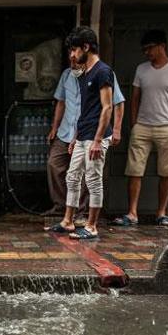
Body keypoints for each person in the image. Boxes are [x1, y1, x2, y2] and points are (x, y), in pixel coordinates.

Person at [113, 30, 168, 227]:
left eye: (150, 48)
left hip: (167, 126)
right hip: (143, 126)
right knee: (134, 170)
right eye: (144, 49)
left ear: (161, 46)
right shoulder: (141, 69)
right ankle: (132, 213)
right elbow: (135, 97)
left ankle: (162, 212)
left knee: (166, 171)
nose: (147, 52)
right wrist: (134, 123)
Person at [45, 26, 115, 239]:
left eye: (75, 50)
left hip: (96, 136)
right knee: (72, 177)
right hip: (82, 134)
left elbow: (107, 107)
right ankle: (67, 221)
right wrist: (76, 137)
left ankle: (92, 226)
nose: (72, 55)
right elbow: (83, 109)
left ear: (86, 47)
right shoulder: (84, 74)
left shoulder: (103, 71)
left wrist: (97, 140)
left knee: (93, 179)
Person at [44, 55, 126, 218]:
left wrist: (116, 129)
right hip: (67, 130)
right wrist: (55, 127)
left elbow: (116, 102)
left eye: (76, 59)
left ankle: (83, 213)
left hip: (91, 132)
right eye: (70, 59)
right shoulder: (67, 75)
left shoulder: (102, 73)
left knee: (88, 174)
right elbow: (61, 102)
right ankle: (62, 207)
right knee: (56, 165)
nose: (73, 62)